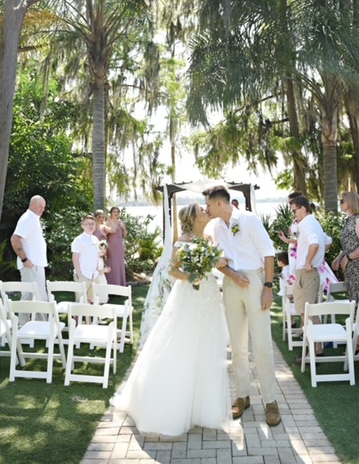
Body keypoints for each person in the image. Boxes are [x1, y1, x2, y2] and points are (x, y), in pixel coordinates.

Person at [111, 203, 231, 436]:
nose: (207, 212)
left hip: (208, 295)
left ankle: (199, 407)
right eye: (202, 211)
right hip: (190, 295)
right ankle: (172, 405)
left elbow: (211, 263)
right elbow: (173, 271)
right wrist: (193, 275)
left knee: (204, 346)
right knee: (183, 343)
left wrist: (218, 262)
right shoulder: (183, 240)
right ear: (194, 217)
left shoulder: (206, 238)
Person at [203, 185, 281, 427]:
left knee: (261, 344)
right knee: (237, 347)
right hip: (231, 283)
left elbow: (268, 253)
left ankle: (270, 401)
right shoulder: (214, 227)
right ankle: (242, 396)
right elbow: (215, 259)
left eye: (208, 204)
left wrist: (267, 287)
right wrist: (232, 275)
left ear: (218, 203)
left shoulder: (249, 220)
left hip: (256, 281)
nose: (206, 209)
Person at [331, 192, 359, 330]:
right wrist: (338, 259)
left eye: (342, 201)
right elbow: (348, 246)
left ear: (350, 202)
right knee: (354, 301)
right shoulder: (349, 220)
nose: (340, 204)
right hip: (351, 269)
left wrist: (349, 257)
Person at [289, 195, 326, 362]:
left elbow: (315, 243)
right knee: (311, 312)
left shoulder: (305, 224)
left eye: (294, 211)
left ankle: (312, 353)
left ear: (303, 209)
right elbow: (327, 241)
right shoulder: (313, 222)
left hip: (306, 272)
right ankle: (317, 349)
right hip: (308, 272)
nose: (294, 214)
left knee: (307, 314)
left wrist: (309, 261)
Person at [10, 195, 48, 323]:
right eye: (40, 207)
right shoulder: (28, 219)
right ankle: (42, 326)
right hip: (31, 264)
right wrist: (25, 260)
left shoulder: (33, 218)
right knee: (39, 296)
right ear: (32, 205)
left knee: (29, 294)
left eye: (43, 207)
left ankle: (23, 325)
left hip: (35, 263)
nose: (42, 210)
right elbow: (15, 239)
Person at [71, 215, 100, 302]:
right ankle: (77, 316)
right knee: (80, 300)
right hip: (83, 274)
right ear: (82, 226)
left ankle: (90, 316)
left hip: (94, 275)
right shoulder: (78, 239)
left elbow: (97, 257)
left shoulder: (95, 239)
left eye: (92, 224)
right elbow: (75, 258)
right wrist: (79, 275)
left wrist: (97, 271)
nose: (91, 226)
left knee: (91, 300)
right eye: (88, 224)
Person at [104, 206, 127, 286]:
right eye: (114, 212)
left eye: (117, 212)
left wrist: (124, 228)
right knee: (112, 264)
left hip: (120, 245)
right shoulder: (108, 222)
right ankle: (112, 286)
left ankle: (121, 285)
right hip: (112, 245)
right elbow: (104, 234)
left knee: (120, 264)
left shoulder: (120, 222)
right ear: (111, 213)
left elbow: (124, 235)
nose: (116, 213)